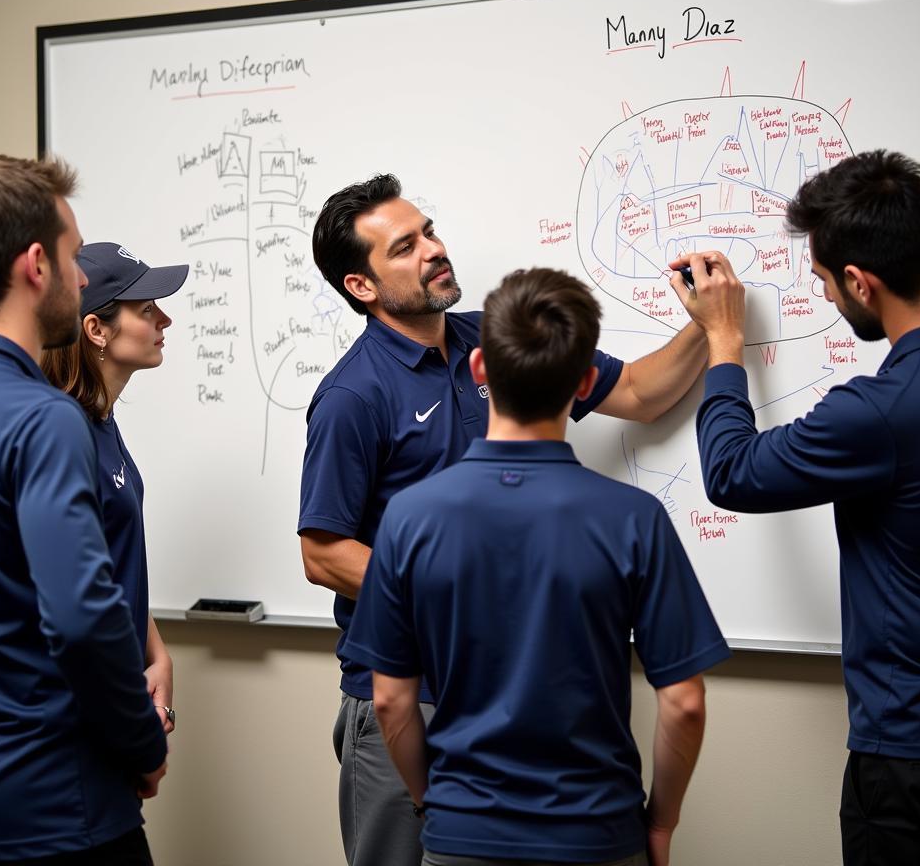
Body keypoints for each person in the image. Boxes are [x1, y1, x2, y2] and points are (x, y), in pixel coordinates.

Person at [298, 174, 712, 866]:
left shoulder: (490, 342)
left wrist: (709, 325)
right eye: (405, 247)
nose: (433, 249)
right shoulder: (352, 395)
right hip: (410, 696)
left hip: (516, 690)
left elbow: (640, 392)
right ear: (362, 286)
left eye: (429, 231)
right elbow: (322, 554)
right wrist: (460, 602)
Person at [670, 150, 920, 864]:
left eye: (826, 282)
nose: (827, 298)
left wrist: (724, 341)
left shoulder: (882, 413)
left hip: (917, 759)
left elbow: (732, 473)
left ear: (861, 281)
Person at [0, 156, 168, 864]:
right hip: (58, 805)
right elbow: (82, 617)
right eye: (73, 256)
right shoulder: (43, 419)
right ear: (36, 266)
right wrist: (144, 742)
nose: (83, 276)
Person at [41, 242, 188, 736]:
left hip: (120, 691)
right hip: (79, 716)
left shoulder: (101, 420)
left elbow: (111, 560)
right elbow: (71, 608)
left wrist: (156, 651)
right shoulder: (64, 435)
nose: (164, 320)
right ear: (96, 329)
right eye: (147, 310)